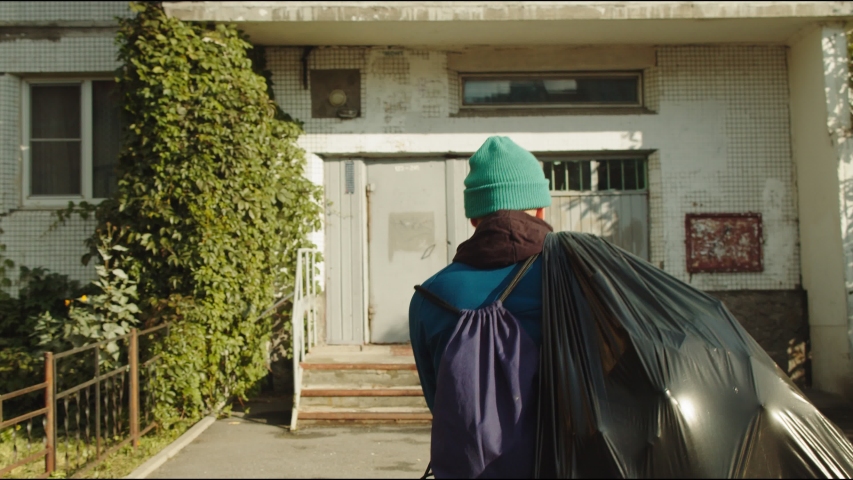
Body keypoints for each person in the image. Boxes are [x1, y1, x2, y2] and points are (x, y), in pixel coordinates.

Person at [408, 136, 553, 478]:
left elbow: (439, 400)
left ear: (474, 218)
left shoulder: (428, 296)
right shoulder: (576, 278)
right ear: (541, 209)